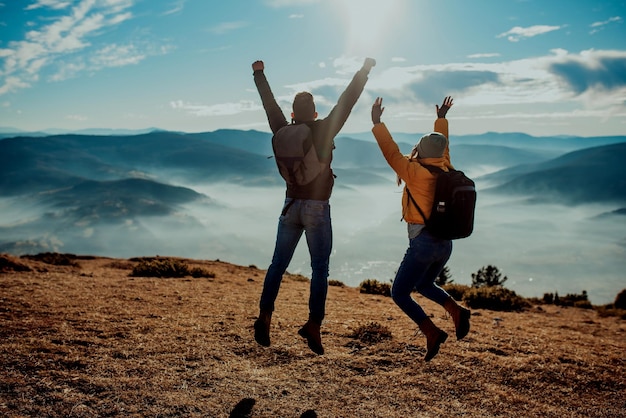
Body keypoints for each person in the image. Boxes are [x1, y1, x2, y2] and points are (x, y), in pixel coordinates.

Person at [251, 58, 375, 355]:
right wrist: (365, 70)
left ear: (293, 114)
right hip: (317, 208)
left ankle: (265, 315)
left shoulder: (281, 128)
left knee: (277, 265)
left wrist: (259, 74)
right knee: (319, 268)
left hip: (290, 205)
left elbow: (269, 105)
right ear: (316, 113)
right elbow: (347, 100)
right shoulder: (323, 130)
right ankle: (313, 325)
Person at [370, 96, 471, 361]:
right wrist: (442, 119)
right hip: (445, 244)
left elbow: (391, 152)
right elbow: (444, 146)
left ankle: (431, 332)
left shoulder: (414, 172)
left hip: (423, 243)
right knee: (425, 284)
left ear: (421, 151)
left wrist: (377, 123)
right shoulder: (446, 167)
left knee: (399, 293)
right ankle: (456, 311)